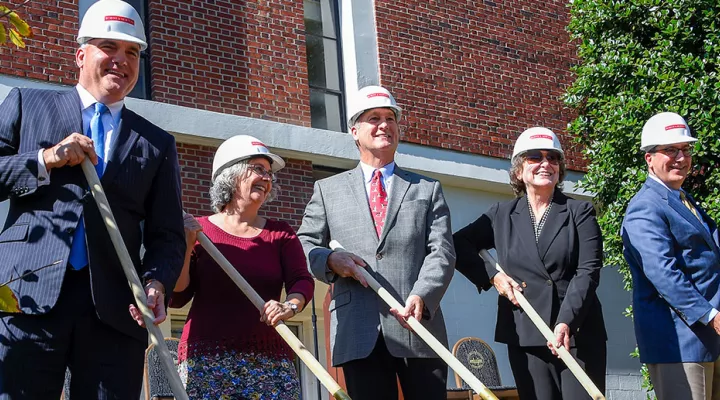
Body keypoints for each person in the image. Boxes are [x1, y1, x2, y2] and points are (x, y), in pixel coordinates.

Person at [0, 0, 186, 398]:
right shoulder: (25, 104)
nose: (122, 60)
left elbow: (167, 235)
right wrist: (45, 160)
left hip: (115, 312)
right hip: (27, 298)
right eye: (110, 47)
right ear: (81, 55)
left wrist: (157, 281)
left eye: (132, 52)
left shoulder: (156, 143)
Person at [297, 86, 455, 400]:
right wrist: (330, 261)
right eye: (374, 118)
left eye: (390, 118)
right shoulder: (328, 190)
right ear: (355, 131)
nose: (384, 125)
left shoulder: (427, 188)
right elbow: (305, 245)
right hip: (358, 331)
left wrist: (423, 293)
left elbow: (442, 250)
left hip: (417, 328)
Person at [453, 127, 607, 400]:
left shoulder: (579, 212)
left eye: (553, 158)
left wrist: (565, 322)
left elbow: (588, 272)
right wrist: (493, 277)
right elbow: (458, 244)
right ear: (519, 169)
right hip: (525, 330)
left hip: (576, 333)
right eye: (535, 157)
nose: (545, 163)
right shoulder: (501, 215)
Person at [171, 135, 314, 400]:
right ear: (230, 175)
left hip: (269, 362)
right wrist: (185, 247)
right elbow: (178, 297)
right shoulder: (199, 231)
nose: (267, 178)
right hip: (206, 360)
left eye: (270, 173)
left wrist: (289, 306)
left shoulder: (280, 234)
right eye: (258, 169)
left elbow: (302, 281)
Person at [622, 112, 720, 400]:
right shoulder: (645, 206)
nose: (681, 157)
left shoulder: (684, 199)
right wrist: (711, 315)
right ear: (649, 158)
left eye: (685, 150)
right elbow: (664, 274)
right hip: (679, 344)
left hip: (707, 341)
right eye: (670, 150)